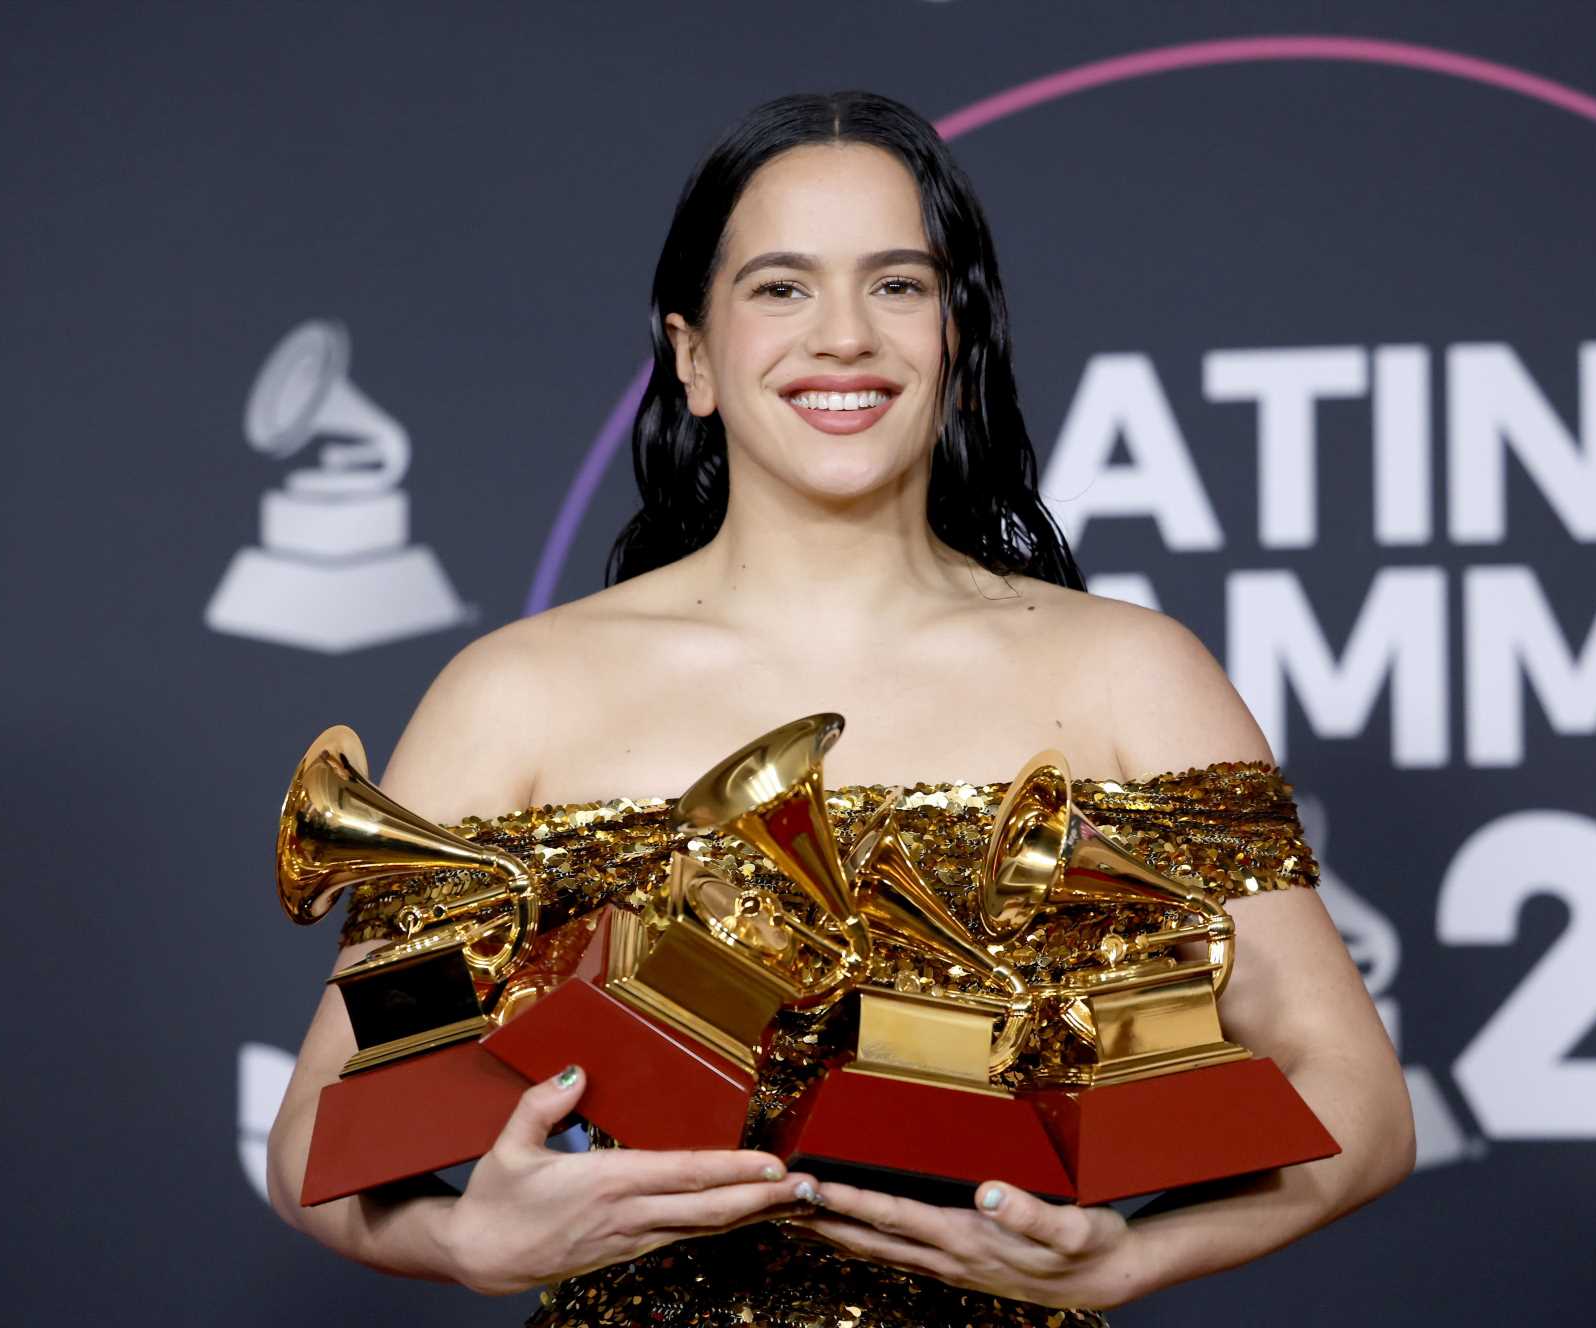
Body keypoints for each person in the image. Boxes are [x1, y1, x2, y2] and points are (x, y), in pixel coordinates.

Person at [266, 89, 1414, 1325]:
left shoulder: (1130, 672)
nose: (845, 336)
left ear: (956, 338)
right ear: (692, 356)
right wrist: (468, 1238)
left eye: (899, 285)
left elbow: (1358, 1096)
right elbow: (313, 1143)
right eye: (780, 286)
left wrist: (1131, 1260)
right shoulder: (517, 693)